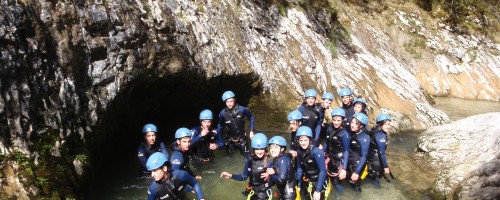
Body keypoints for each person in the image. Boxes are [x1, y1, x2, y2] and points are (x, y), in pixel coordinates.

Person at [220, 133, 272, 200]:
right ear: (253, 149)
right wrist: (230, 176)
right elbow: (244, 177)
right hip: (252, 190)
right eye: (257, 149)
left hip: (263, 194)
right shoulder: (250, 159)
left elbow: (280, 177)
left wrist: (272, 173)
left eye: (261, 149)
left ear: (265, 149)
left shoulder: (269, 162)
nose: (259, 152)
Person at [217, 90, 256, 155]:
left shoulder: (242, 109)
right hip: (230, 141)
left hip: (242, 139)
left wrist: (251, 131)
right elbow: (220, 127)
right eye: (227, 102)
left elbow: (251, 117)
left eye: (231, 101)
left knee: (248, 158)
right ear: (225, 102)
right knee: (229, 160)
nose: (229, 104)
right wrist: (220, 141)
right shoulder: (222, 113)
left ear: (234, 100)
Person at [296, 126, 328, 200]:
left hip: (318, 181)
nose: (303, 143)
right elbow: (299, 169)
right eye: (301, 140)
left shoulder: (317, 152)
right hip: (307, 180)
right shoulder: (299, 151)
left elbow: (322, 171)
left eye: (305, 140)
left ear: (310, 140)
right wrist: (299, 185)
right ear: (298, 141)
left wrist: (318, 190)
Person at [323, 108, 350, 192]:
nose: (336, 122)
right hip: (330, 158)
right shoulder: (330, 129)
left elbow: (346, 151)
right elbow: (327, 143)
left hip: (339, 161)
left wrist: (344, 169)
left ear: (342, 120)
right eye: (334, 120)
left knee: (336, 182)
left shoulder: (344, 134)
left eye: (338, 120)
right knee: (327, 178)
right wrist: (322, 153)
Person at [266, 136, 297, 200]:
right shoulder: (276, 160)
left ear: (282, 149)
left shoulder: (283, 159)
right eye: (271, 148)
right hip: (283, 193)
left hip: (288, 196)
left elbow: (281, 179)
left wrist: (271, 175)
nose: (272, 150)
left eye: (275, 148)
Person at [347, 113, 370, 192]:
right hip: (350, 163)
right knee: (348, 183)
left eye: (356, 123)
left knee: (355, 187)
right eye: (352, 122)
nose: (352, 125)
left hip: (357, 166)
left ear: (361, 126)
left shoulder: (364, 137)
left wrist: (357, 172)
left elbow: (364, 156)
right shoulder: (352, 133)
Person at [367, 113, 392, 184]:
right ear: (380, 125)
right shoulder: (380, 136)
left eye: (389, 124)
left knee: (372, 176)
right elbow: (382, 153)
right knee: (376, 180)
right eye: (386, 124)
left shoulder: (375, 129)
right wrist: (385, 166)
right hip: (376, 159)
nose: (388, 126)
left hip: (371, 156)